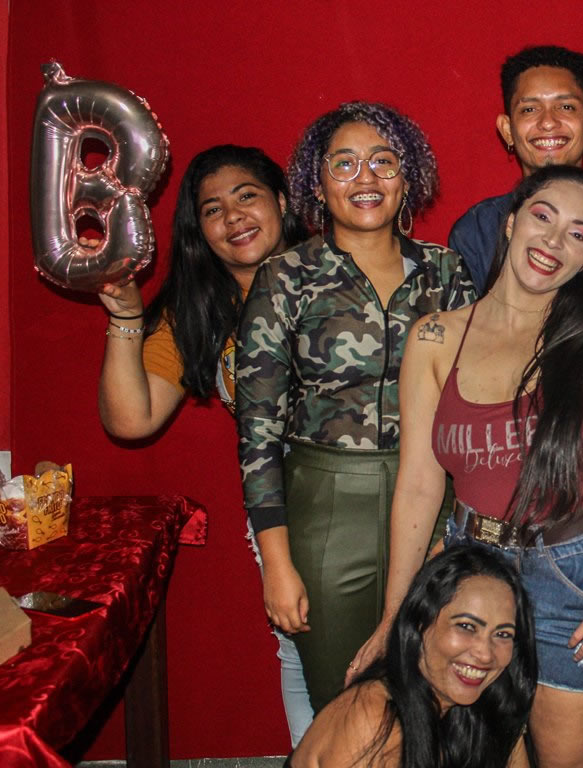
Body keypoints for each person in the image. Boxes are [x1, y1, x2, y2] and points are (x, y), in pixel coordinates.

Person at [354, 166, 583, 768]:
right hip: (470, 571)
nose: (554, 241)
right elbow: (419, 484)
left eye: (579, 234)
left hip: (574, 578)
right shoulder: (434, 337)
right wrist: (393, 614)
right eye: (543, 217)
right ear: (512, 222)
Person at [237, 102, 476, 715]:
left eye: (383, 162)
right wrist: (276, 563)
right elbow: (257, 432)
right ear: (317, 186)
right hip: (326, 509)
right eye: (343, 164)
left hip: (434, 498)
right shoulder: (285, 277)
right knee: (345, 702)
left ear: (407, 177)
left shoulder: (445, 272)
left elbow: (474, 406)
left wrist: (461, 524)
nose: (365, 178)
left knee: (435, 694)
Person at [96, 144, 315, 744]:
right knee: (300, 654)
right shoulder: (201, 307)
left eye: (247, 196)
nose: (233, 217)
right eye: (212, 209)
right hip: (277, 512)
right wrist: (125, 316)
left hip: (369, 500)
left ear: (283, 201)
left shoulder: (337, 273)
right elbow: (131, 418)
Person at [448, 45, 583, 441]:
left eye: (565, 107)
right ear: (507, 129)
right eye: (529, 109)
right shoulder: (476, 231)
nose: (548, 123)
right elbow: (466, 365)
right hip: (509, 451)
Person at [291, 544, 536, 768]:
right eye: (466, 626)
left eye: (502, 634)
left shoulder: (491, 704)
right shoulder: (373, 718)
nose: (484, 654)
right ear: (420, 624)